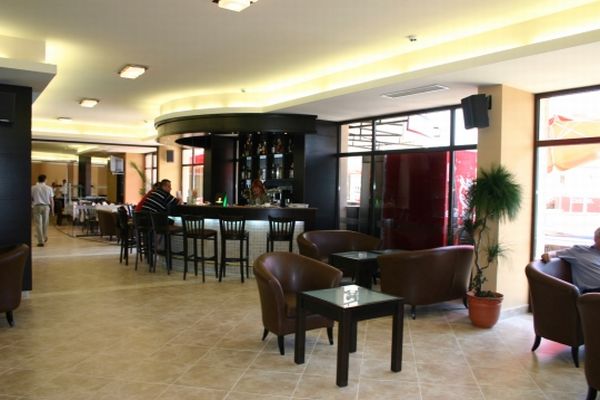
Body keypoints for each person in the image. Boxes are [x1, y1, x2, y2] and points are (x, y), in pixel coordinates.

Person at [541, 227, 600, 293]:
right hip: (592, 292)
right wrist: (548, 254)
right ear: (595, 238)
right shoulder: (580, 251)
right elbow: (556, 253)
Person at [31, 174, 54, 247]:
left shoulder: (33, 188)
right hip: (46, 207)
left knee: (38, 224)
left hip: (36, 206)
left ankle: (40, 241)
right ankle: (44, 237)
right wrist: (53, 210)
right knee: (45, 223)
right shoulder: (49, 188)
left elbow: (31, 199)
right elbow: (51, 200)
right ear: (45, 180)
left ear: (38, 180)